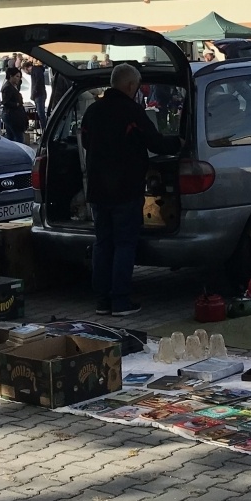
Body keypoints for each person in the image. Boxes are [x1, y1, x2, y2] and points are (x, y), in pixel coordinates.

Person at [80, 65, 180, 317]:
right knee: (124, 244)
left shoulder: (93, 111)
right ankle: (121, 301)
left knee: (103, 243)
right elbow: (155, 142)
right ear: (130, 85)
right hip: (125, 189)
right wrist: (179, 142)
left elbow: (85, 142)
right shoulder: (132, 111)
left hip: (97, 190)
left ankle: (102, 301)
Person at [1, 67, 29, 144]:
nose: (18, 79)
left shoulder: (14, 86)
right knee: (18, 137)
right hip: (11, 115)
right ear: (11, 76)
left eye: (19, 77)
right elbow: (5, 102)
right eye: (17, 76)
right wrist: (17, 104)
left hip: (15, 114)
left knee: (12, 137)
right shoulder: (7, 87)